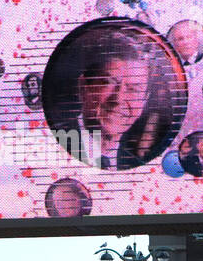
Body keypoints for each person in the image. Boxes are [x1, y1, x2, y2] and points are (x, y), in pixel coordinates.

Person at [42, 18, 183, 171]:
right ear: (83, 86)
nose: (118, 98)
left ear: (144, 100)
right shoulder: (51, 145)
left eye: (133, 89)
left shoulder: (135, 163)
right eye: (108, 82)